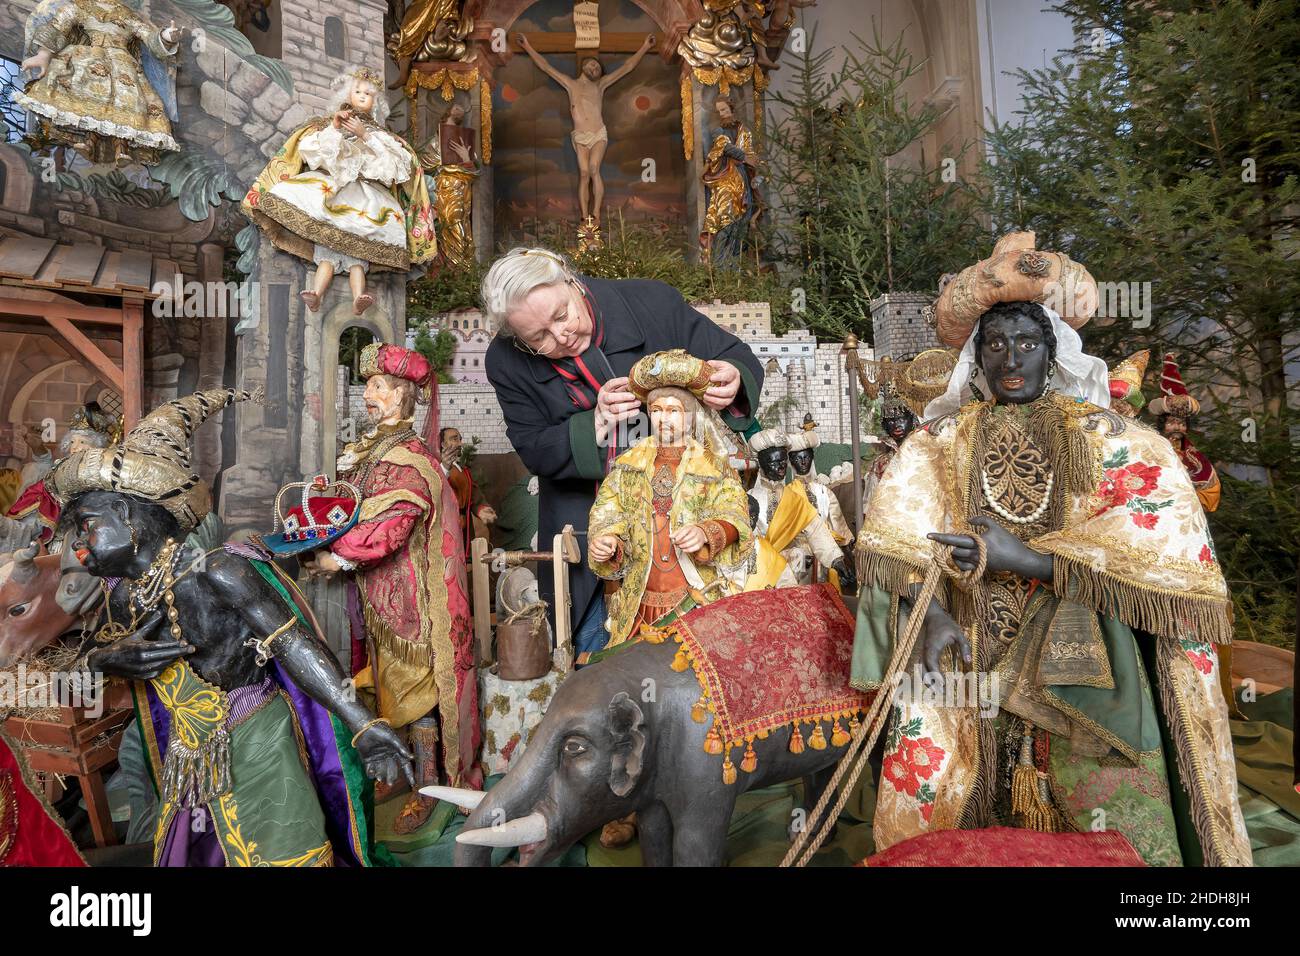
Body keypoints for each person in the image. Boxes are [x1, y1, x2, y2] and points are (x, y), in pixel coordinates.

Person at [850, 232, 1250, 866]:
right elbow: (895, 540)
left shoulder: (1110, 437)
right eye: (996, 344)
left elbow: (1162, 549)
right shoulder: (937, 441)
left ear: (1054, 351)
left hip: (1085, 657)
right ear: (977, 359)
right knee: (951, 802)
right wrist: (929, 614)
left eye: (1028, 343)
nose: (1012, 359)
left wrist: (1031, 561)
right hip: (967, 647)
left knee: (1109, 809)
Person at [49, 387, 411, 866]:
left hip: (258, 742)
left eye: (87, 525)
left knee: (287, 853)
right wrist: (106, 658)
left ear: (128, 515)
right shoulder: (122, 594)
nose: (78, 546)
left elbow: (295, 646)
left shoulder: (219, 569)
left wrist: (363, 725)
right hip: (188, 763)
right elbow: (70, 677)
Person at [481, 247, 763, 665]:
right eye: (538, 337)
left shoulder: (652, 302)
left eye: (562, 315)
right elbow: (535, 447)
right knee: (595, 662)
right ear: (517, 339)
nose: (560, 337)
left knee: (713, 656)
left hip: (689, 520)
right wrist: (593, 424)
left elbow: (734, 355)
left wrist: (734, 376)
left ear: (572, 282)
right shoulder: (504, 362)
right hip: (587, 529)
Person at [307, 343, 481, 834]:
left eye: (379, 386)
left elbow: (391, 527)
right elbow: (352, 508)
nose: (369, 395)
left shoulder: (406, 458)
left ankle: (429, 782)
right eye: (369, 386)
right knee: (388, 683)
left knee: (418, 690)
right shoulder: (377, 451)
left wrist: (336, 555)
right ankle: (403, 768)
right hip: (382, 598)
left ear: (404, 396)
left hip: (416, 602)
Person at [588, 350, 753, 653]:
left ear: (690, 415)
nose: (664, 418)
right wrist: (607, 539)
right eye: (657, 410)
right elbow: (608, 510)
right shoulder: (629, 465)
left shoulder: (713, 465)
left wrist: (707, 531)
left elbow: (734, 513)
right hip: (640, 599)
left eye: (674, 410)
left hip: (695, 597)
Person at [242, 66, 436, 317]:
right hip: (333, 187)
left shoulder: (384, 137)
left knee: (358, 256)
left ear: (376, 103)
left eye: (369, 93)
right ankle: (316, 294)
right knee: (327, 254)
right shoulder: (328, 126)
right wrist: (335, 128)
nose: (363, 95)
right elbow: (312, 153)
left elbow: (395, 167)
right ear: (347, 94)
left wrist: (366, 135)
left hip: (366, 196)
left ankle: (358, 297)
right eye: (358, 91)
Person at [517, 33, 655, 231]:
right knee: (583, 173)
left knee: (593, 169)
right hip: (580, 135)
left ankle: (596, 213)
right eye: (592, 65)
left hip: (598, 133)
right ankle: (584, 217)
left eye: (598, 68)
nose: (595, 69)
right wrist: (528, 46)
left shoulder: (600, 85)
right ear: (583, 67)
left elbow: (626, 68)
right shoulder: (571, 84)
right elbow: (546, 67)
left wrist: (645, 46)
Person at [17, 0, 182, 166]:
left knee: (128, 100)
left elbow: (149, 37)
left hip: (122, 63)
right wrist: (43, 55)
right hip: (88, 58)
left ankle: (122, 148)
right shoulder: (80, 6)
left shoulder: (128, 15)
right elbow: (58, 27)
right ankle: (89, 141)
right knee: (88, 93)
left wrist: (166, 37)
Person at [746, 427, 854, 590]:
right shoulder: (749, 498)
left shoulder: (794, 498)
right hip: (761, 572)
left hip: (796, 570)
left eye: (783, 461)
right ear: (761, 464)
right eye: (774, 462)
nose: (781, 467)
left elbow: (815, 528)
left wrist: (836, 559)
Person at [1149, 353, 1221, 513]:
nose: (1177, 428)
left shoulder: (1195, 457)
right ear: (1162, 424)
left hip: (1185, 516)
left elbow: (1211, 491)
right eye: (1171, 422)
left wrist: (1190, 505)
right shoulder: (1148, 449)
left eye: (1181, 423)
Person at [700, 94, 758, 264]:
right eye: (719, 111)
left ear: (732, 108)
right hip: (725, 178)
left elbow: (749, 151)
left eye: (724, 109)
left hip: (742, 177)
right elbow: (725, 146)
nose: (722, 113)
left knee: (742, 220)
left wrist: (751, 159)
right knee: (725, 220)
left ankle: (734, 262)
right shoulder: (717, 130)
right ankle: (718, 263)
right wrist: (744, 157)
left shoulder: (744, 130)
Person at [786, 414, 851, 545]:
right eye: (798, 458)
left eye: (807, 457)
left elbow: (837, 523)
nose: (803, 462)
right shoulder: (787, 494)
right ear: (792, 461)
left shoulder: (823, 492)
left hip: (825, 550)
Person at [862, 381, 918, 517]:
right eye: (891, 421)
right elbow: (870, 500)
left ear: (912, 421)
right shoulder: (881, 462)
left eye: (901, 419)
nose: (897, 425)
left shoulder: (923, 453)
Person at [439, 426, 496, 551]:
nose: (460, 443)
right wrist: (444, 467)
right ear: (443, 444)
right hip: (447, 524)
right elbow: (436, 485)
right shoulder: (437, 466)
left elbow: (473, 493)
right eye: (454, 439)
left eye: (460, 439)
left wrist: (481, 508)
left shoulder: (463, 469)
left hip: (465, 526)